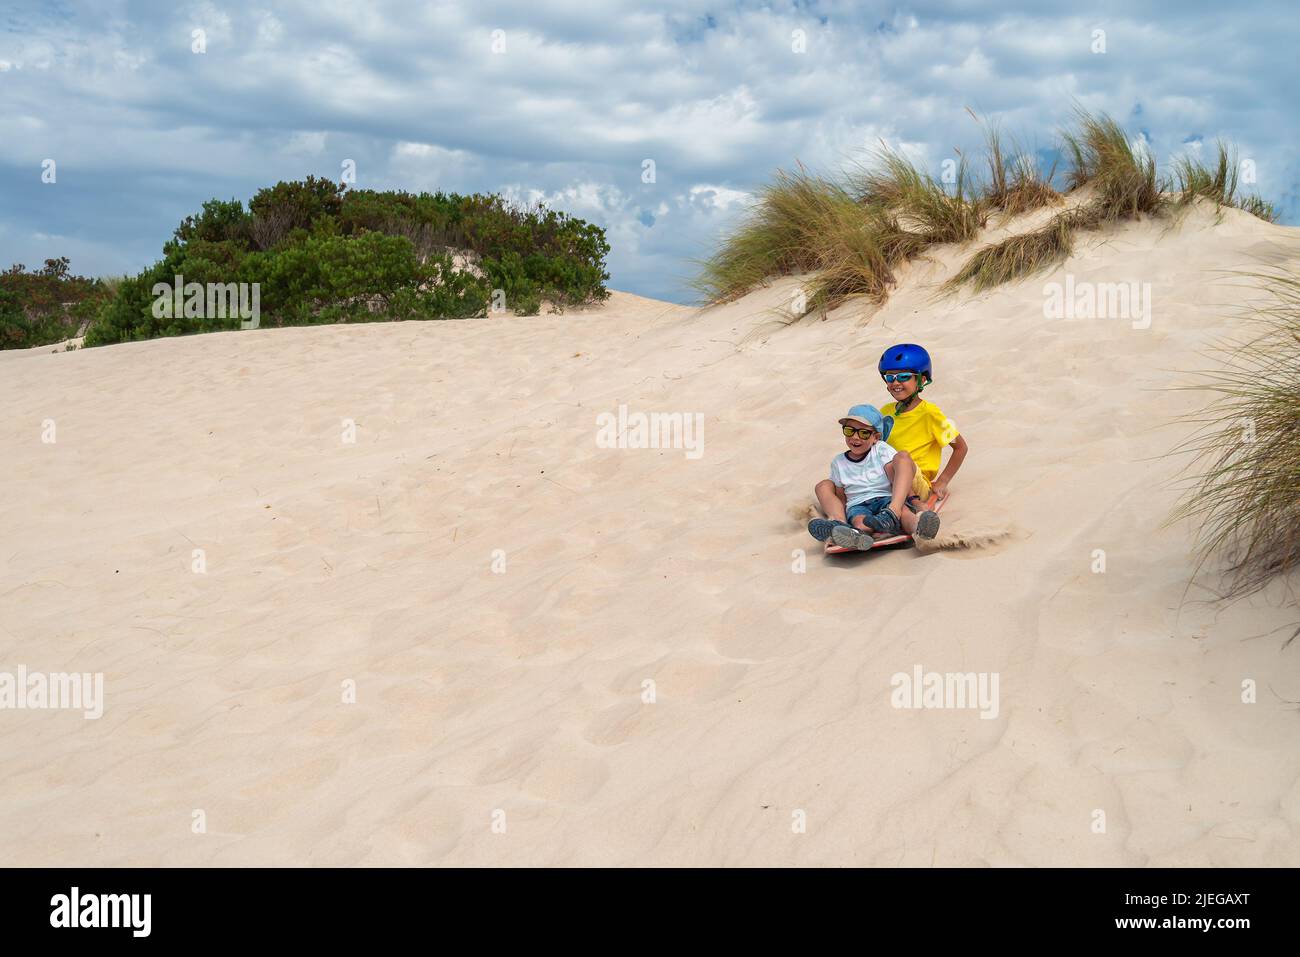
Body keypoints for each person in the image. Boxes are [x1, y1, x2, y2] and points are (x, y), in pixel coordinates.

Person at [806, 404, 940, 549]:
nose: (855, 437)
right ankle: (847, 530)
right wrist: (846, 515)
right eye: (849, 431)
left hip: (887, 500)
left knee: (905, 514)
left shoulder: (881, 450)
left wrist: (913, 500)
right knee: (860, 521)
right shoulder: (838, 462)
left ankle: (919, 529)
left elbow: (897, 475)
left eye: (863, 433)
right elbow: (841, 495)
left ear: (876, 437)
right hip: (858, 504)